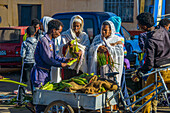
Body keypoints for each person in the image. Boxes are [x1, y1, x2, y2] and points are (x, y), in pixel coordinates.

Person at [30, 19, 73, 113]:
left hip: (46, 73)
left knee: (45, 99)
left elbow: (55, 56)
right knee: (41, 100)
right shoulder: (44, 41)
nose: (59, 34)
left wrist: (65, 60)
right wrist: (61, 65)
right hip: (40, 73)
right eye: (59, 32)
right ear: (53, 30)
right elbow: (48, 59)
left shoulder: (51, 42)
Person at [135, 12, 170, 113]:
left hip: (160, 72)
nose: (139, 27)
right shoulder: (163, 30)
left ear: (145, 26)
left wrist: (139, 71)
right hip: (169, 68)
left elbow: (149, 63)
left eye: (139, 25)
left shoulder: (150, 39)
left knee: (146, 96)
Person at [88, 20, 124, 86]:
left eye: (105, 30)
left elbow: (120, 52)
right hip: (98, 66)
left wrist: (108, 48)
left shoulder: (117, 39)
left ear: (111, 30)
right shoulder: (97, 38)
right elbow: (91, 50)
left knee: (110, 84)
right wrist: (98, 48)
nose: (103, 32)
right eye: (102, 30)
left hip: (111, 67)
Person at [59, 15, 90, 79]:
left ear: (80, 26)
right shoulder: (66, 35)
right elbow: (60, 47)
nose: (75, 28)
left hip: (80, 65)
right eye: (74, 26)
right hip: (68, 65)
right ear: (71, 25)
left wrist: (81, 52)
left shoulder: (84, 36)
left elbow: (87, 48)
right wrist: (67, 45)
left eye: (77, 26)